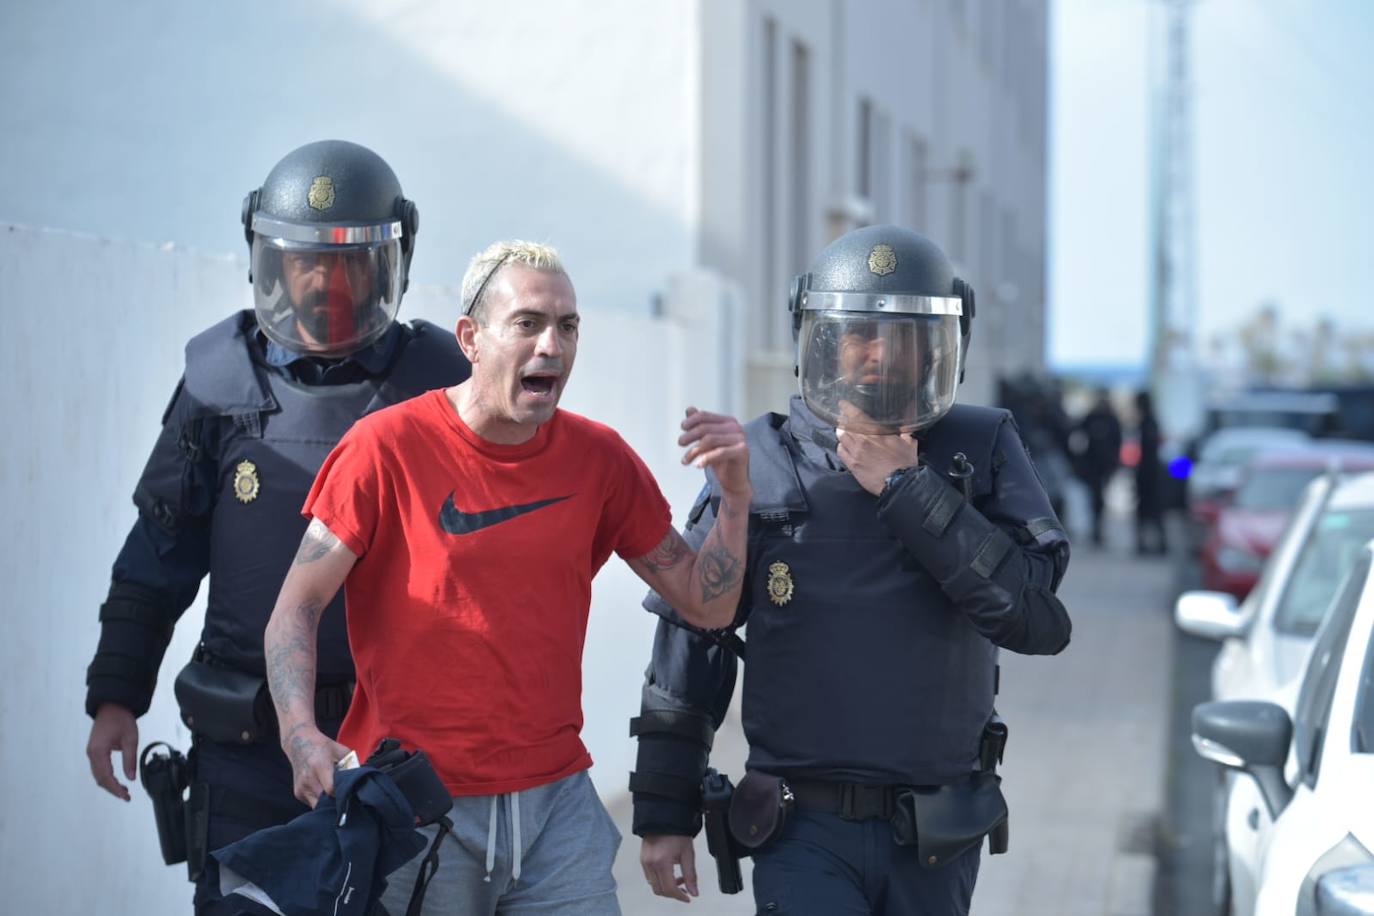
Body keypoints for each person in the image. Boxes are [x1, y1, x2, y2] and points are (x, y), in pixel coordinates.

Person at [261, 240, 753, 916]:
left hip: (556, 811)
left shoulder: (601, 461)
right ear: (471, 337)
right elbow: (296, 608)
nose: (552, 345)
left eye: (568, 326)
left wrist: (734, 500)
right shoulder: (383, 449)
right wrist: (299, 735)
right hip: (415, 807)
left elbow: (706, 603)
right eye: (528, 323)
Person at [629, 225, 1073, 915]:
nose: (878, 354)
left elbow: (1037, 619)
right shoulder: (761, 459)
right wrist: (664, 813)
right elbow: (693, 637)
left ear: (941, 349)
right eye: (859, 333)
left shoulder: (978, 448)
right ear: (820, 339)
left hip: (936, 832)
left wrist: (909, 490)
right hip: (799, 827)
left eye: (902, 337)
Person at [82, 139, 470, 914]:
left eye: (352, 264)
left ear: (390, 263)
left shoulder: (441, 387)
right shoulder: (219, 388)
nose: (329, 282)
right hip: (246, 752)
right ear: (268, 263)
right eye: (305, 262)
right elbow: (158, 553)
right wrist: (115, 696)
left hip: (392, 744)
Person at [1076, 388, 1123, 546]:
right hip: (1093, 464)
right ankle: (1095, 530)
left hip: (1105, 465)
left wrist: (1114, 462)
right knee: (1094, 498)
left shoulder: (1111, 419)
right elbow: (1078, 435)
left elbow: (1117, 442)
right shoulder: (1091, 417)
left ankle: (1098, 529)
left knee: (1101, 498)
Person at [1133, 389, 1168, 555]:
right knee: (1150, 512)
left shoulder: (1148, 423)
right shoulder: (1149, 422)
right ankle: (1151, 543)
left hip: (1149, 474)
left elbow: (1149, 450)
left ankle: (1156, 543)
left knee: (1150, 511)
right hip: (1150, 473)